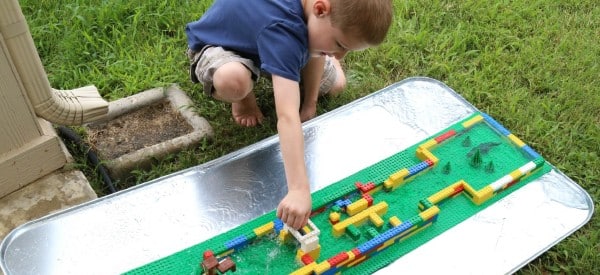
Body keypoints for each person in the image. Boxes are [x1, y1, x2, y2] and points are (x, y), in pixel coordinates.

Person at [185, 0, 393, 229]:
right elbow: (286, 116)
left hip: (277, 40)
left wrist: (309, 104)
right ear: (320, 9)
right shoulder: (284, 29)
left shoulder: (313, 16)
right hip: (223, 46)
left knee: (336, 84)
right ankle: (244, 100)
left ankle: (295, 61)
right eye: (340, 44)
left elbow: (315, 52)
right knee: (234, 81)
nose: (341, 55)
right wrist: (299, 190)